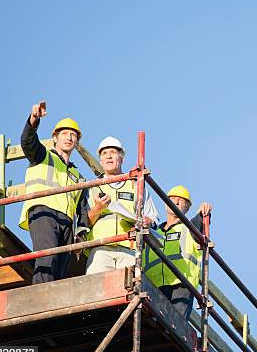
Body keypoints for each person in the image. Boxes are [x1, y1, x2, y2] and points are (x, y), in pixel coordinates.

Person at [19, 101, 90, 284]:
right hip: (43, 213)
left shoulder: (78, 177)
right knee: (46, 260)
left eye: (73, 135)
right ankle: (40, 300)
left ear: (76, 142)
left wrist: (80, 236)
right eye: (64, 133)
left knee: (61, 268)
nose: (69, 137)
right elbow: (28, 141)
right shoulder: (43, 156)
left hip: (66, 222)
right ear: (55, 138)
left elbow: (82, 212)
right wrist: (34, 120)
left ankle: (53, 306)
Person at [84, 136, 158, 274]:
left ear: (122, 158)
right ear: (100, 160)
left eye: (113, 152)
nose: (109, 156)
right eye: (104, 153)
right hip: (100, 248)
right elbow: (84, 222)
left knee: (128, 292)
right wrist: (98, 208)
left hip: (129, 249)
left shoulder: (136, 186)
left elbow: (153, 219)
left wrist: (148, 221)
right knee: (98, 292)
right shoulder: (92, 187)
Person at [143, 185, 212, 321]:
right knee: (156, 322)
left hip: (181, 283)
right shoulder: (154, 231)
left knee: (176, 325)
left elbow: (200, 223)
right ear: (165, 203)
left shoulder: (189, 227)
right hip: (155, 284)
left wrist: (203, 211)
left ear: (187, 207)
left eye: (181, 200)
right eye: (172, 198)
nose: (176, 202)